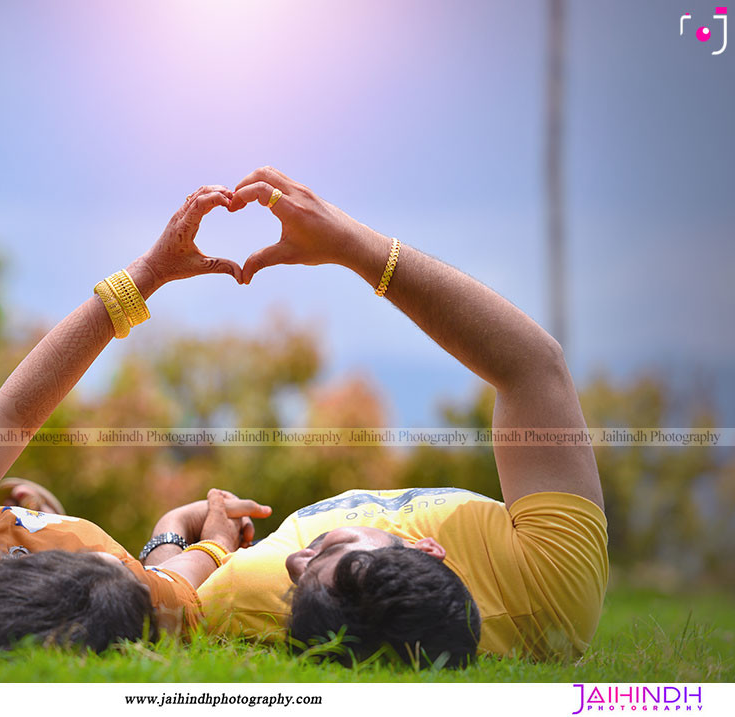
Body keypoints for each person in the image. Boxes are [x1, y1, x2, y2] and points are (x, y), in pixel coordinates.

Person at [186, 167, 608, 668]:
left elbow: (164, 599)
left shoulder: (250, 593)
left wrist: (196, 541)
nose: (295, 565)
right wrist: (354, 246)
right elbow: (532, 365)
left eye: (302, 594)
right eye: (331, 564)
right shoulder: (551, 599)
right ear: (429, 550)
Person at [0, 186, 271, 651]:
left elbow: (12, 416)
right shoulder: (123, 608)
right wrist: (210, 537)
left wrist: (148, 273)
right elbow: (176, 581)